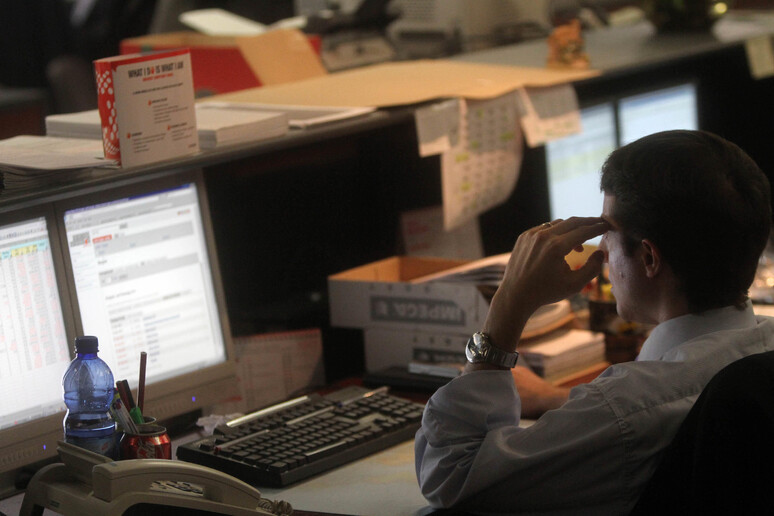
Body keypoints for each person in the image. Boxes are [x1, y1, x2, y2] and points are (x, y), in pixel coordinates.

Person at [414, 130, 774, 514]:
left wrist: (508, 305)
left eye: (607, 233)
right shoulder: (758, 358)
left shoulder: (622, 412)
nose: (601, 249)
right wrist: (555, 399)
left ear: (649, 258)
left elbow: (452, 475)